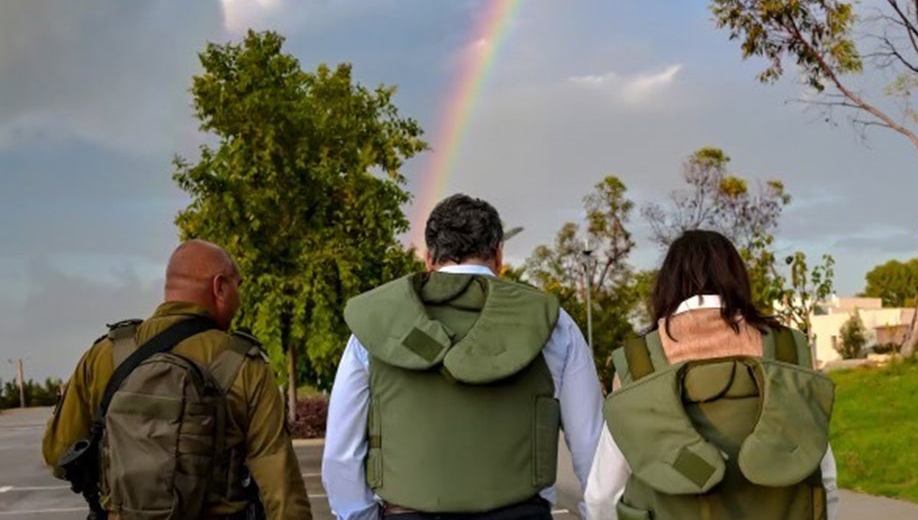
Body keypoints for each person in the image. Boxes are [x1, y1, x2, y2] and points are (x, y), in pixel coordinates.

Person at [322, 194, 605, 520]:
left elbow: (340, 457)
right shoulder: (554, 323)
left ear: (428, 258)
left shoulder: (374, 325)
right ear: (499, 254)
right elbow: (590, 447)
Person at [43, 239, 313, 519]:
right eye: (237, 285)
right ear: (219, 287)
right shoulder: (246, 364)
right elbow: (279, 483)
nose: (238, 296)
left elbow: (58, 454)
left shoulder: (106, 354)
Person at [584, 229, 840, 520]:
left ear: (667, 285)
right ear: (737, 279)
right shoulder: (788, 353)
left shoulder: (640, 365)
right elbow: (824, 478)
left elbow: (601, 495)